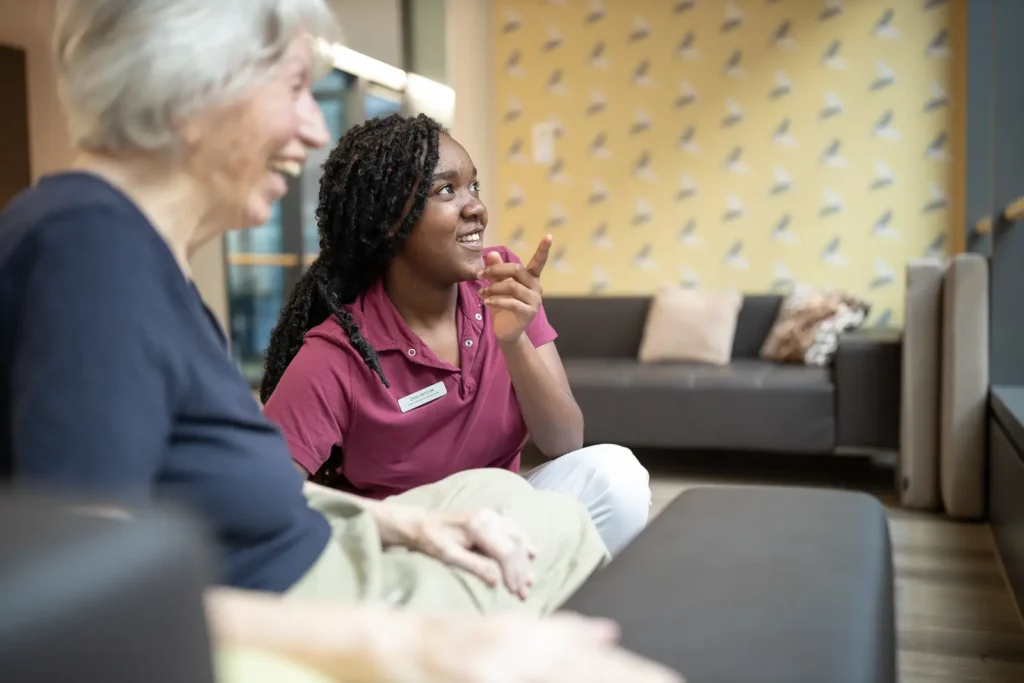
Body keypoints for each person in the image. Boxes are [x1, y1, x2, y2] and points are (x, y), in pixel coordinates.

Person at [0, 1, 683, 682]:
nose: (314, 124)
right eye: (295, 88)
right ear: (193, 89)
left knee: (528, 499)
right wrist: (404, 646)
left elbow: (229, 491)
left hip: (326, 558)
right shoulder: (89, 248)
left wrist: (402, 526)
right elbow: (96, 587)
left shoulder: (138, 258)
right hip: (307, 604)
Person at [259, 114, 651, 556]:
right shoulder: (340, 354)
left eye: (474, 187)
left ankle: (503, 599)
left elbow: (564, 441)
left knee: (615, 475)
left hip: (500, 518)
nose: (476, 207)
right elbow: (259, 500)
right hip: (413, 550)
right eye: (446, 190)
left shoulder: (503, 284)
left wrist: (514, 341)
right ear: (390, 221)